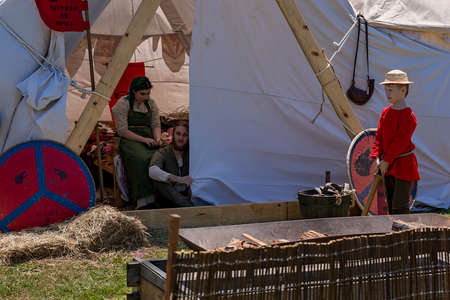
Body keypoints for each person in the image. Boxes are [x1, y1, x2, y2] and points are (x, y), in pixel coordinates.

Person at [370, 70, 420, 214]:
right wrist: (377, 158)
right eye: (386, 89)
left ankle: (403, 234)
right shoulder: (385, 112)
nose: (387, 93)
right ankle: (393, 233)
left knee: (400, 205)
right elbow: (379, 137)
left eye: (391, 90)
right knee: (390, 204)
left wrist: (386, 161)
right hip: (387, 164)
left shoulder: (409, 117)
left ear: (403, 90)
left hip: (403, 165)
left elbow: (400, 142)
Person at [112, 76, 161, 209]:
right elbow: (123, 131)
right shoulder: (122, 104)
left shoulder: (151, 103)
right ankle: (144, 199)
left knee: (163, 154)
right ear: (134, 91)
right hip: (130, 138)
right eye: (142, 94)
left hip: (149, 136)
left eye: (148, 93)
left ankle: (162, 194)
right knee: (141, 158)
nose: (146, 96)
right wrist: (144, 140)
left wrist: (157, 138)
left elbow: (155, 124)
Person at [149, 120, 194, 207]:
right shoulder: (164, 152)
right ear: (173, 135)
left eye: (185, 135)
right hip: (168, 198)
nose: (181, 138)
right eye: (178, 134)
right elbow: (152, 170)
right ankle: (187, 206)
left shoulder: (191, 153)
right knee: (159, 181)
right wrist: (178, 179)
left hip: (186, 193)